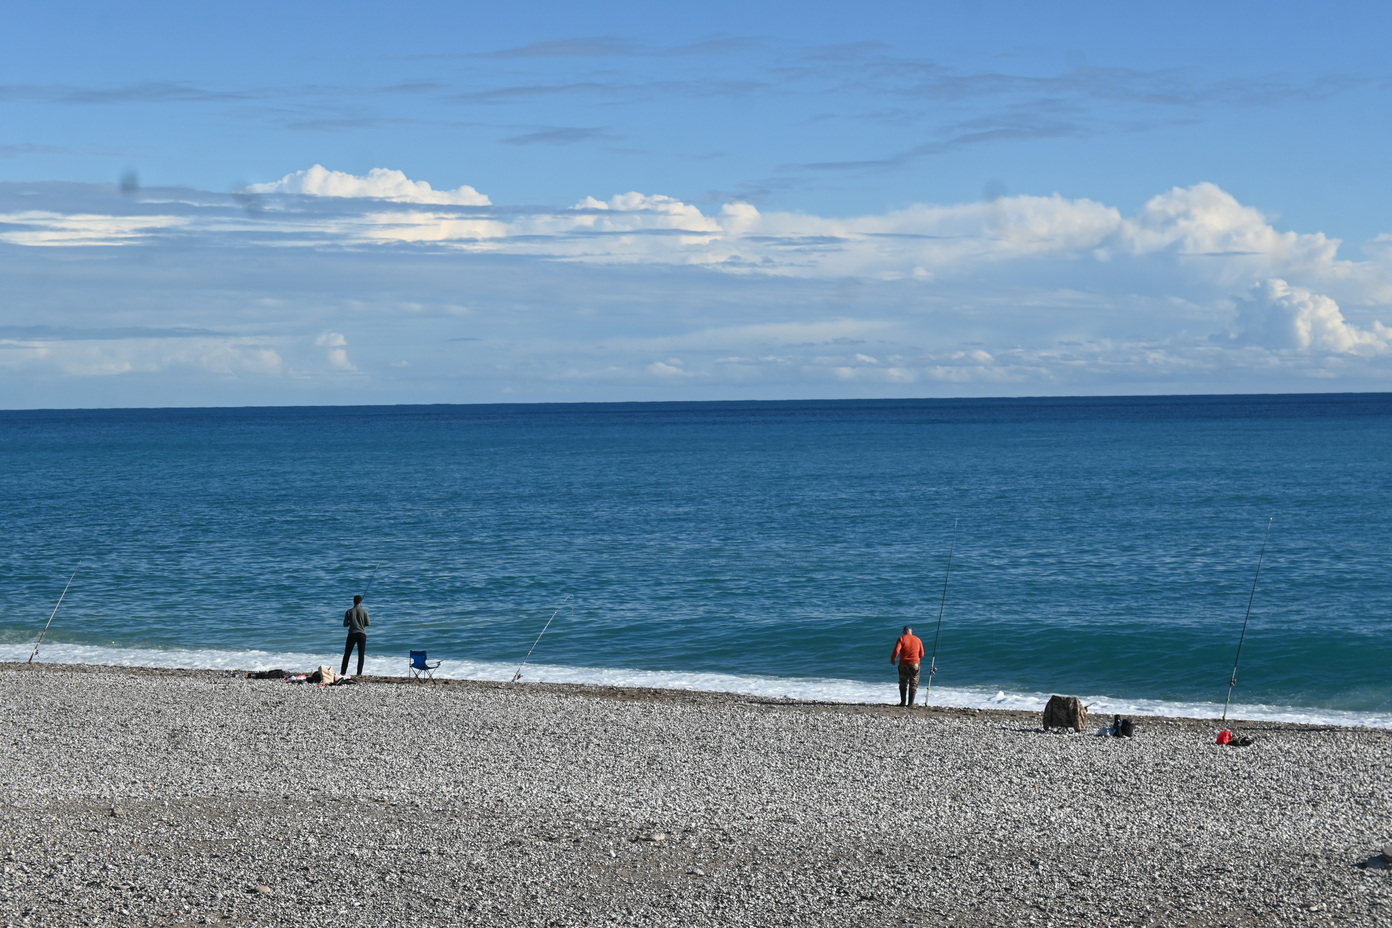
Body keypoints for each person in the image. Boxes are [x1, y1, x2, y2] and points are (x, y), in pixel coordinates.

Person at [890, 625, 925, 707]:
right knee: (913, 683)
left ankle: (903, 703)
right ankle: (910, 703)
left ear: (904, 631)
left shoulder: (901, 639)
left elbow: (896, 651)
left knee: (903, 683)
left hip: (903, 663)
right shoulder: (918, 639)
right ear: (911, 631)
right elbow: (922, 654)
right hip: (915, 664)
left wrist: (893, 659)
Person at [341, 594, 370, 677]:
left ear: (353, 601)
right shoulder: (364, 611)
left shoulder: (349, 611)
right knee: (361, 654)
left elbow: (345, 624)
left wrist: (351, 622)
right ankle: (359, 673)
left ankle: (343, 672)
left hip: (352, 634)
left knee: (347, 653)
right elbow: (368, 623)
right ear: (361, 602)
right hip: (362, 634)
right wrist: (361, 623)